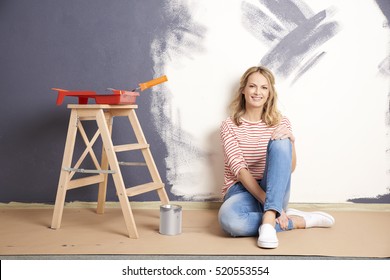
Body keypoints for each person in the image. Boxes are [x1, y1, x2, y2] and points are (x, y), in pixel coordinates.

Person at [218, 66, 335, 249]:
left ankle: (269, 218)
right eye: (252, 86)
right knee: (228, 219)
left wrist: (291, 142)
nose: (258, 92)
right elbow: (240, 171)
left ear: (270, 92)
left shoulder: (281, 122)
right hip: (241, 191)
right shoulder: (229, 125)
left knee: (281, 140)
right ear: (243, 90)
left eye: (264, 87)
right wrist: (274, 206)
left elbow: (289, 168)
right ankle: (295, 220)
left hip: (275, 188)